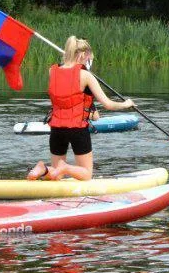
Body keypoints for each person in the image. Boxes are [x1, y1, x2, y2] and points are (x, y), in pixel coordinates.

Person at [28, 36, 135, 182]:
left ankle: (44, 169)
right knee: (86, 174)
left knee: (56, 176)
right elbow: (108, 104)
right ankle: (65, 167)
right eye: (88, 58)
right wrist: (126, 104)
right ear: (83, 55)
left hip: (56, 129)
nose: (88, 61)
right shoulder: (86, 76)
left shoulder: (52, 71)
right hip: (77, 129)